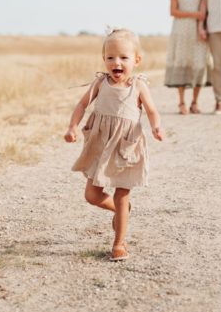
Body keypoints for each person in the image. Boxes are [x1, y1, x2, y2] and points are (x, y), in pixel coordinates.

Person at [64, 29, 164, 261]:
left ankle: (119, 243)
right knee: (91, 194)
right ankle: (122, 212)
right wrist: (72, 127)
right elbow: (81, 105)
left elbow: (151, 110)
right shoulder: (100, 82)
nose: (116, 62)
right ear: (104, 59)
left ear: (136, 60)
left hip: (126, 146)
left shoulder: (138, 86)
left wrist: (157, 126)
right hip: (101, 145)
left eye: (123, 58)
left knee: (121, 195)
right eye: (110, 57)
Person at [163, 0, 210, 114]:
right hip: (181, 31)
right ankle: (181, 102)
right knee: (182, 62)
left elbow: (205, 9)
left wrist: (201, 21)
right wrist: (194, 14)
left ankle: (195, 102)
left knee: (199, 63)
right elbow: (173, 11)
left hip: (197, 30)